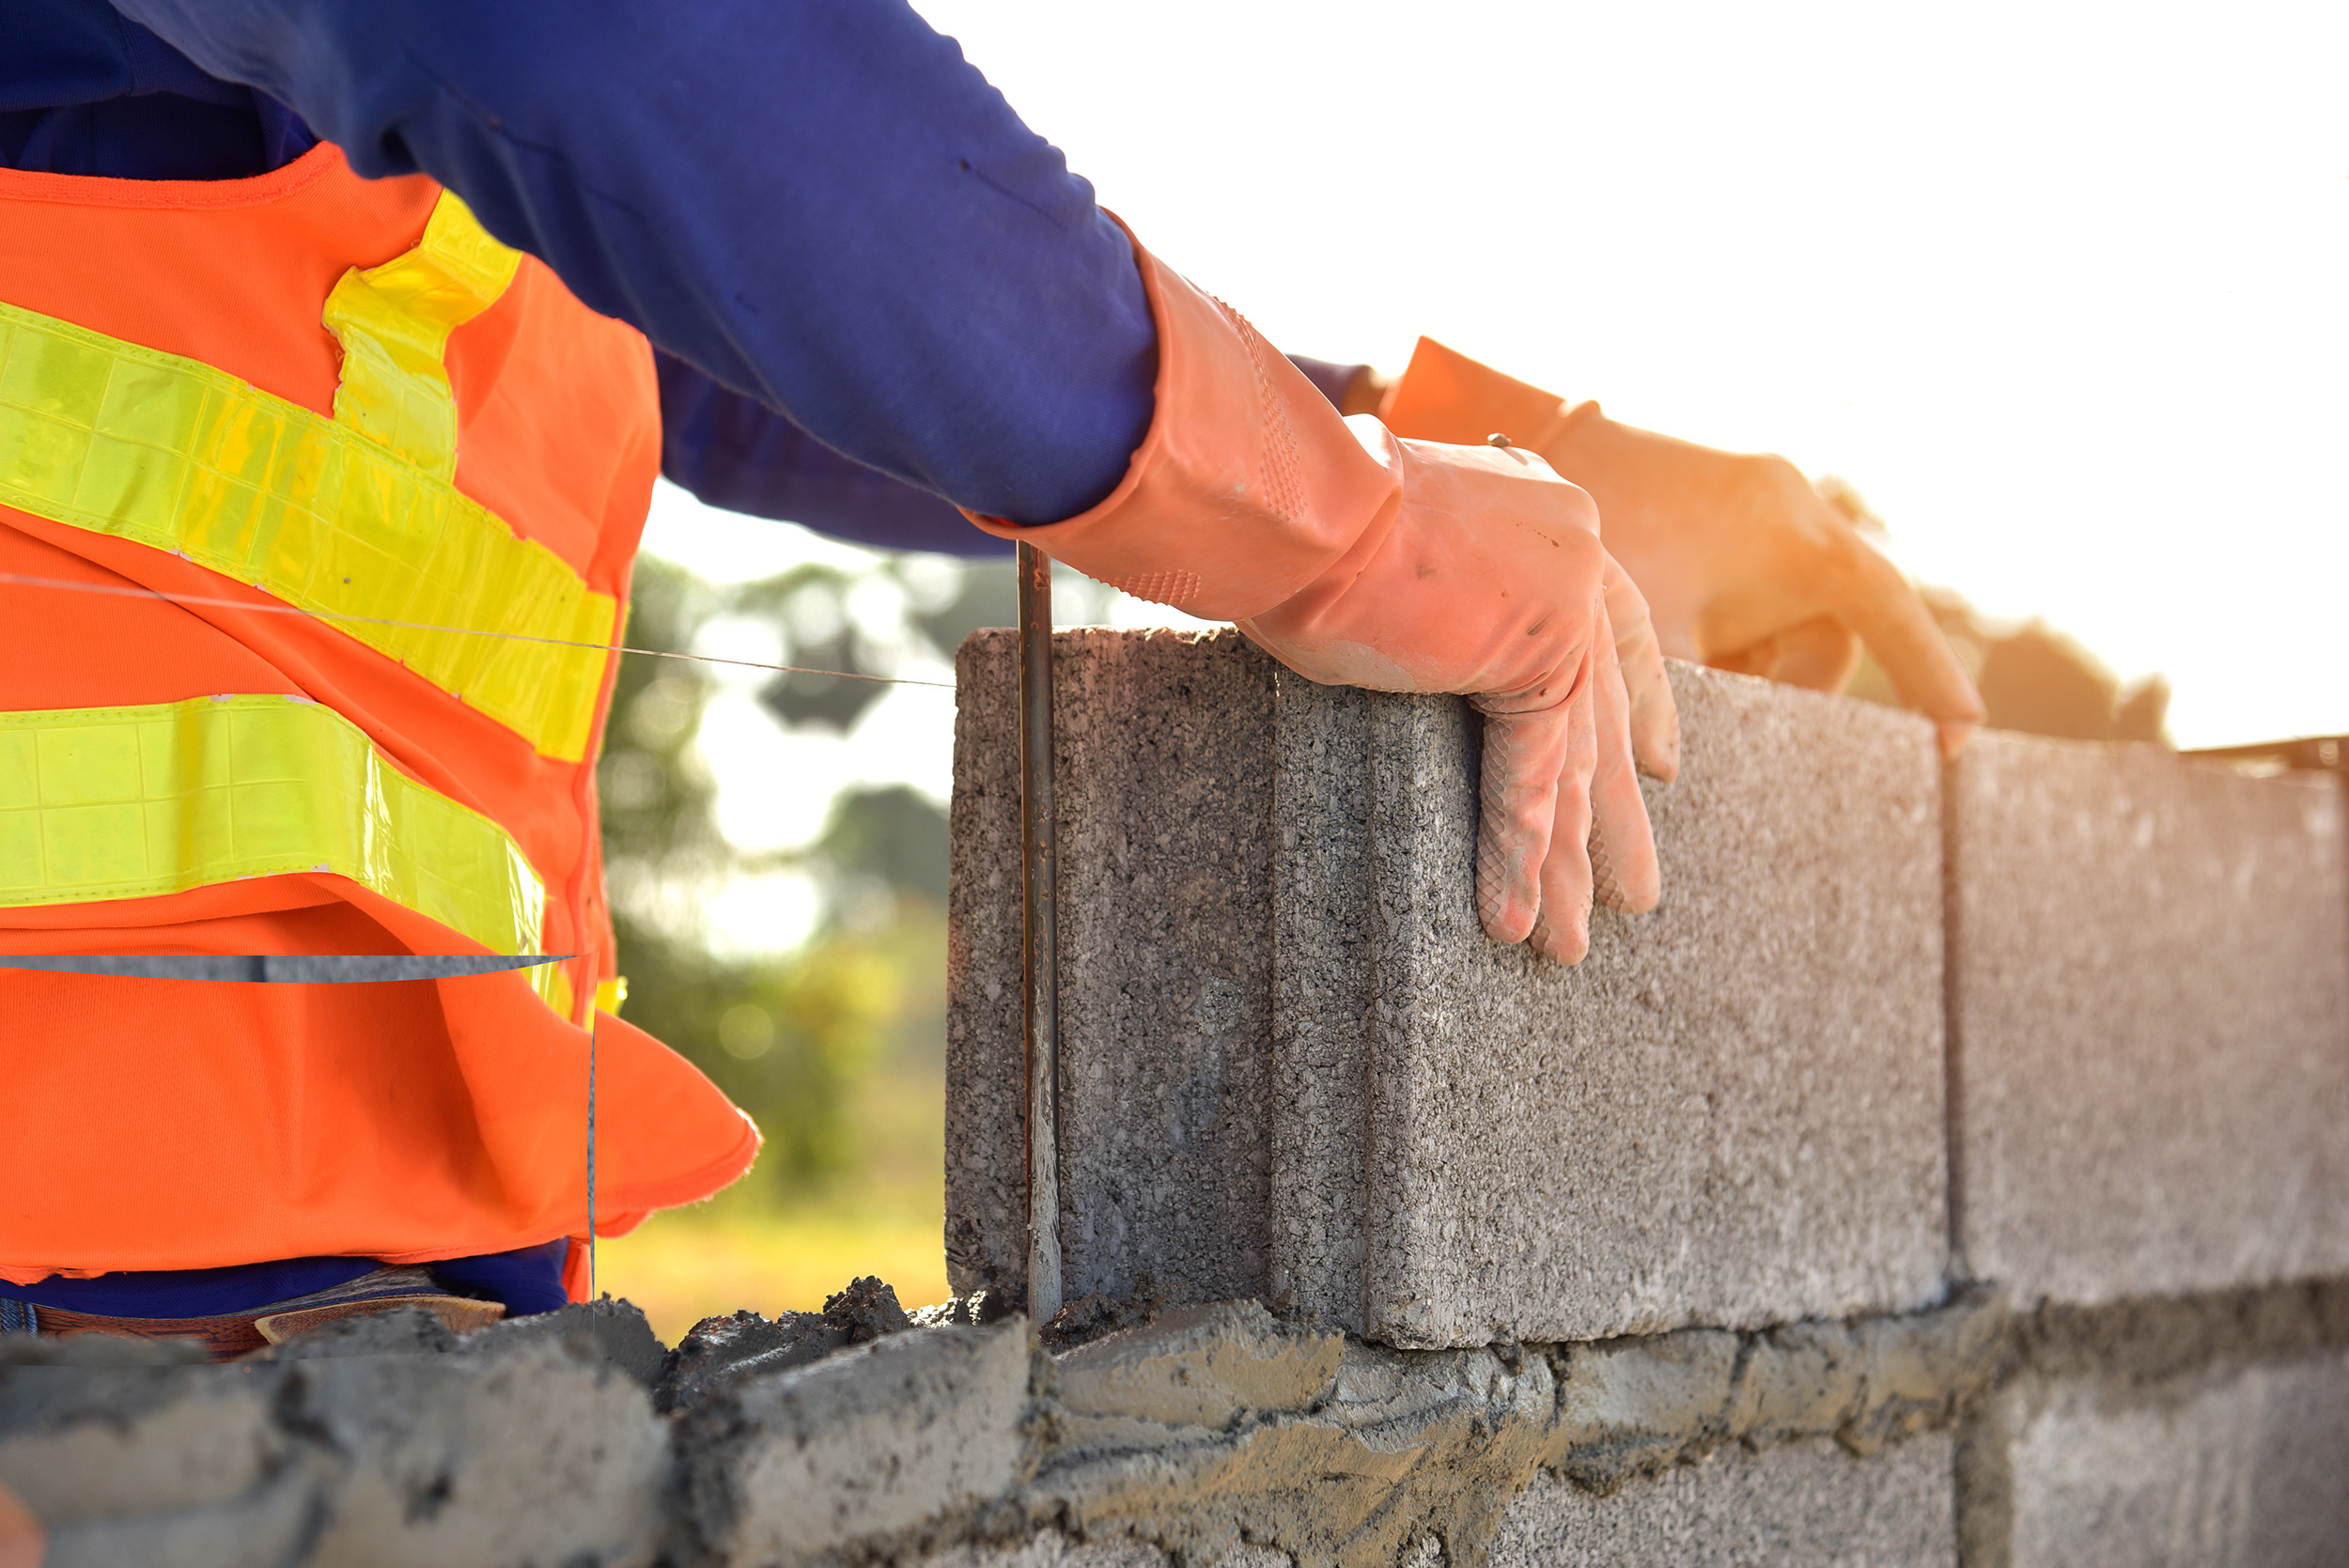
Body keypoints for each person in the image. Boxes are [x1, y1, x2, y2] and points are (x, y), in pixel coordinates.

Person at [0, 0, 1981, 1353]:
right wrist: (1348, 531)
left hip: (309, 1345)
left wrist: (1418, 434)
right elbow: (613, 57)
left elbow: (701, 301)